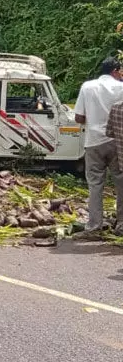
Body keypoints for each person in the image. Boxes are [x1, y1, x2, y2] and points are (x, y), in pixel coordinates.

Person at [74, 57, 123, 238]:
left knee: (95, 185)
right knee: (121, 183)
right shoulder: (121, 88)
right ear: (115, 71)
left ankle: (94, 227)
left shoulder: (87, 87)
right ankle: (121, 226)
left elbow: (79, 117)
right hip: (118, 141)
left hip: (94, 141)